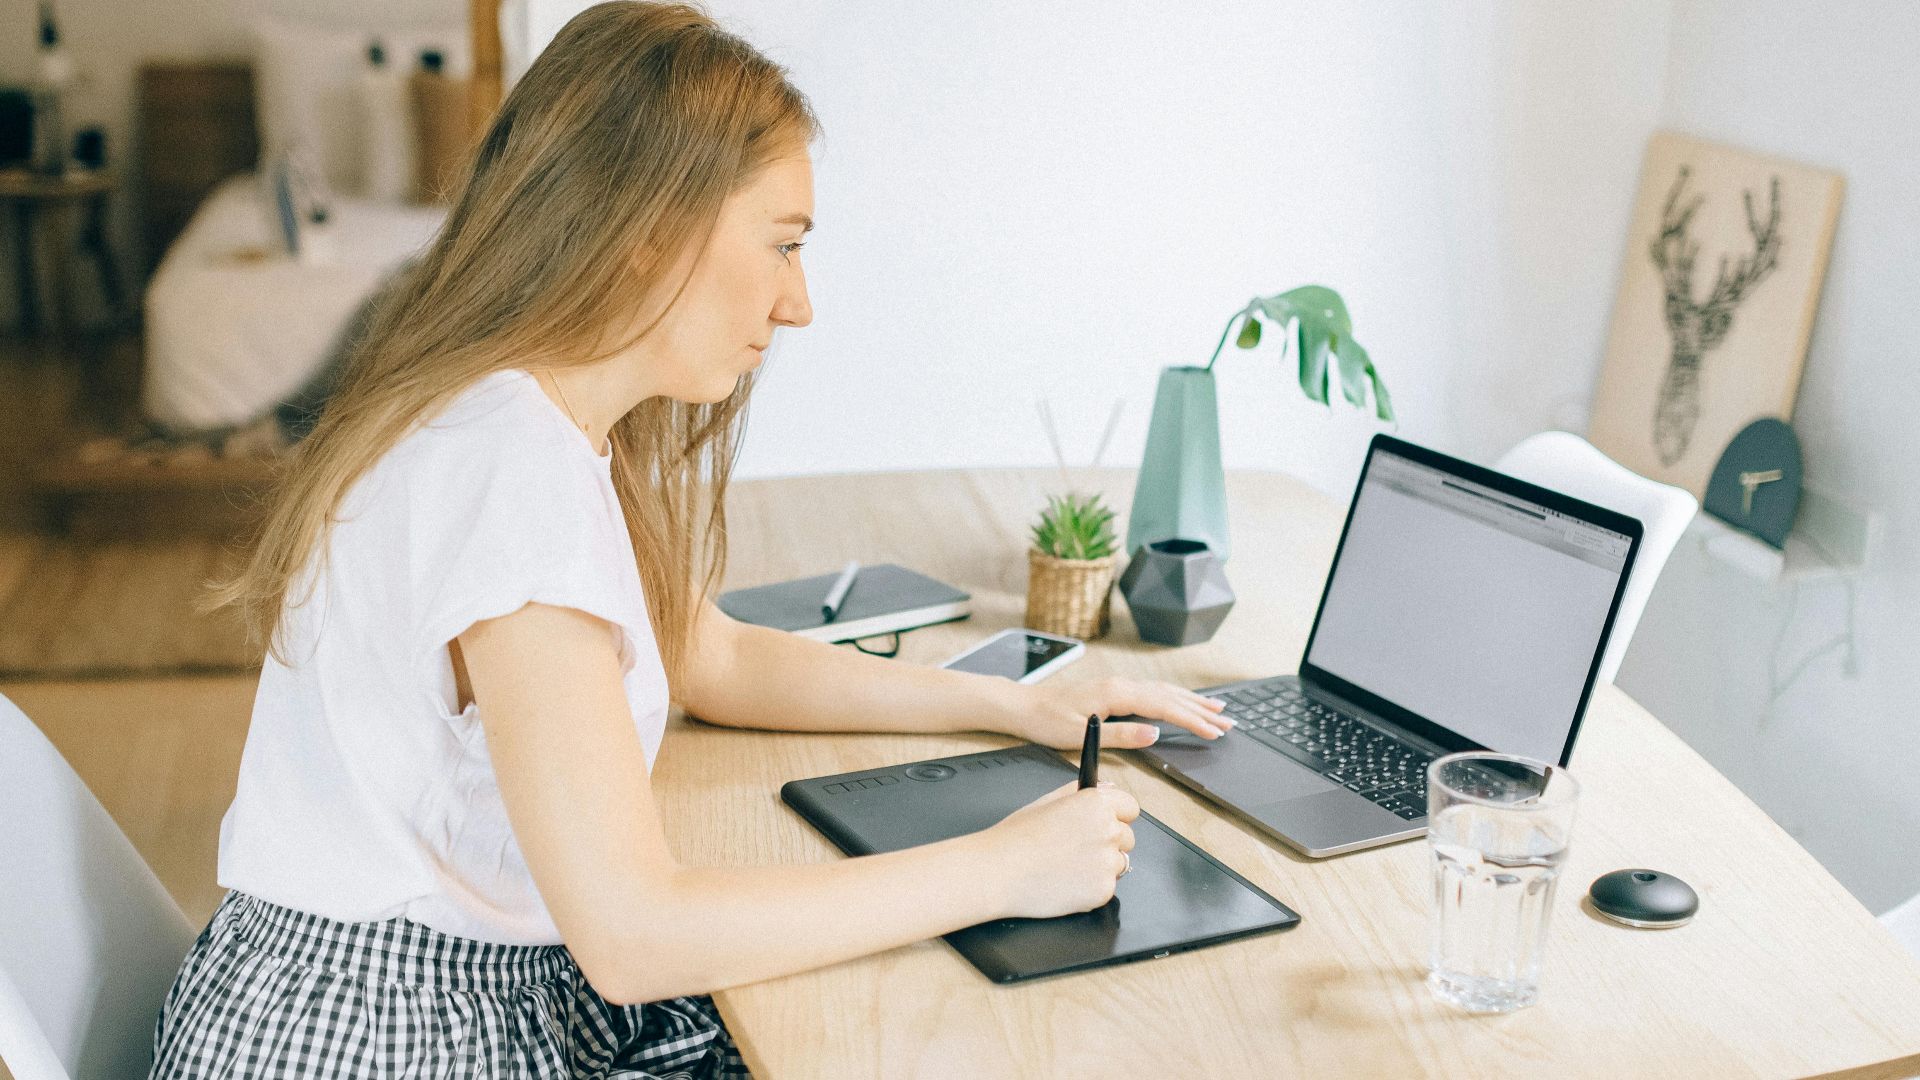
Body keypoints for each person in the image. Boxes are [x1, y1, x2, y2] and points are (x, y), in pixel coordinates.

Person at [146, 4, 1234, 1077]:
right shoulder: (506, 473)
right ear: (647, 233)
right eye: (782, 247)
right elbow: (632, 936)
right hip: (390, 1039)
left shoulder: (527, 419)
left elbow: (707, 656)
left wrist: (1020, 706)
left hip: (398, 991)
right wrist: (1001, 871)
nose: (799, 304)